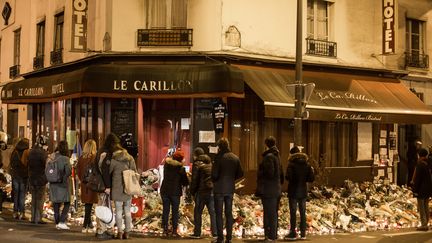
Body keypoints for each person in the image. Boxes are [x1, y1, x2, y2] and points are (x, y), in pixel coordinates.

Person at [212, 138, 244, 243]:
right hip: (230, 188)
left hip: (219, 189)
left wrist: (216, 179)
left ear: (220, 147)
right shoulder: (235, 157)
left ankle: (220, 238)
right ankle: (229, 238)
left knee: (218, 213)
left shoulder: (218, 157)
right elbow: (240, 173)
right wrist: (231, 179)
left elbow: (214, 174)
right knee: (228, 213)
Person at [256, 136, 284, 242]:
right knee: (273, 213)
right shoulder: (277, 156)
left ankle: (271, 236)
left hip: (269, 189)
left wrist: (260, 172)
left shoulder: (269, 157)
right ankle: (272, 235)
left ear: (266, 145)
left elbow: (269, 173)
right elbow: (281, 173)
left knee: (270, 213)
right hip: (276, 188)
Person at [285, 146, 314, 240]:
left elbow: (288, 177)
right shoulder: (307, 164)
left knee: (293, 213)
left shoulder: (291, 165)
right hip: (303, 191)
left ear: (292, 154)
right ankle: (303, 234)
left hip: (293, 191)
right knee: (302, 212)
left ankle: (293, 233)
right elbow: (311, 178)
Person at [94, 133, 119, 239]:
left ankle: (102, 229)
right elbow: (105, 170)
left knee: (102, 206)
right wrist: (108, 186)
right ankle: (102, 230)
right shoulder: (106, 153)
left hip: (100, 184)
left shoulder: (100, 151)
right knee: (105, 207)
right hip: (104, 185)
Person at [110, 145, 137, 239]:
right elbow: (134, 171)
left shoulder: (113, 160)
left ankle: (120, 232)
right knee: (127, 210)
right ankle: (127, 232)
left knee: (118, 211)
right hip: (128, 187)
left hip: (116, 187)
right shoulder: (130, 159)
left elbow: (109, 173)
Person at [160, 150, 189, 237]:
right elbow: (185, 182)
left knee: (166, 210)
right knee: (175, 212)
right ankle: (174, 231)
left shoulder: (167, 165)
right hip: (175, 192)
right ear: (180, 159)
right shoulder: (181, 168)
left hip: (165, 190)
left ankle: (165, 230)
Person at [189, 152, 217, 239]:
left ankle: (197, 233)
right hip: (211, 192)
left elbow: (195, 181)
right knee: (213, 213)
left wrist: (192, 192)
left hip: (201, 193)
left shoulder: (200, 168)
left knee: (198, 212)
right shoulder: (213, 168)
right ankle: (215, 233)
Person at [48, 140, 72, 230]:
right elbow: (68, 171)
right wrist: (64, 178)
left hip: (53, 183)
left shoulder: (53, 156)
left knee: (56, 203)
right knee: (67, 202)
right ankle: (62, 221)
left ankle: (57, 221)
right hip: (63, 184)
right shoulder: (66, 159)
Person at [76, 139, 98, 233]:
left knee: (88, 203)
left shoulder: (81, 158)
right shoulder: (94, 157)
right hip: (92, 184)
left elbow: (78, 171)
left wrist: (82, 180)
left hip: (84, 184)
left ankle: (90, 224)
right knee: (89, 204)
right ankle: (85, 225)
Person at [27, 136, 48, 224]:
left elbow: (28, 163)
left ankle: (33, 217)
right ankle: (38, 218)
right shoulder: (43, 153)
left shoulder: (31, 152)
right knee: (40, 198)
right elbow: (45, 165)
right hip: (40, 177)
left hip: (32, 177)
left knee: (34, 198)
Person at [412, 148, 432, 231]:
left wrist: (415, 190)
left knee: (421, 207)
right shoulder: (429, 164)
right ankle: (426, 222)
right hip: (428, 188)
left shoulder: (420, 165)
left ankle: (424, 224)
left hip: (421, 189)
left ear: (419, 155)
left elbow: (417, 179)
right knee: (426, 206)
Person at [10, 138, 30, 220]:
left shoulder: (15, 151)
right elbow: (28, 163)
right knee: (22, 195)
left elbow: (11, 162)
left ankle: (15, 212)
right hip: (24, 176)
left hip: (15, 175)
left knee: (16, 194)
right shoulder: (27, 152)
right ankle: (22, 213)